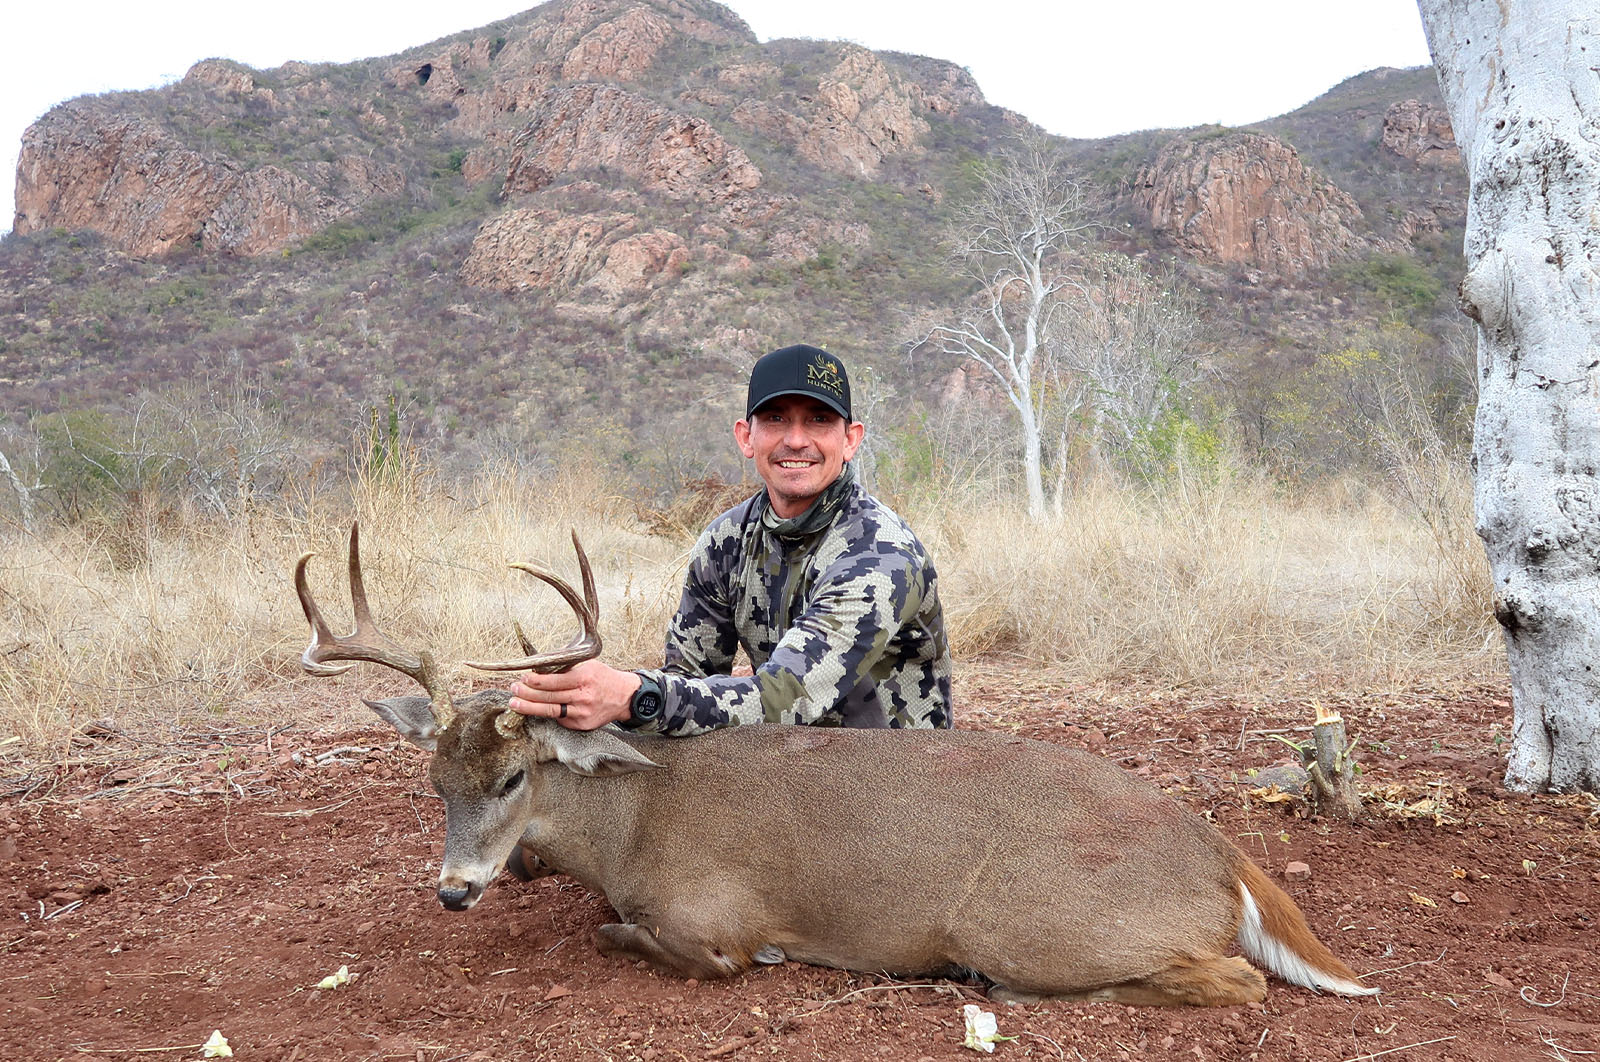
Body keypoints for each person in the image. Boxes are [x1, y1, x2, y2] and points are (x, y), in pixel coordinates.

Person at [509, 343, 953, 734]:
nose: (796, 440)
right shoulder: (727, 541)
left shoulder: (880, 556)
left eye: (818, 420)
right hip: (786, 767)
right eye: (776, 419)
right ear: (746, 437)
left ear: (851, 440)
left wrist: (634, 697)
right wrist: (586, 694)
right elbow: (689, 677)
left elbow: (786, 696)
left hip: (894, 790)